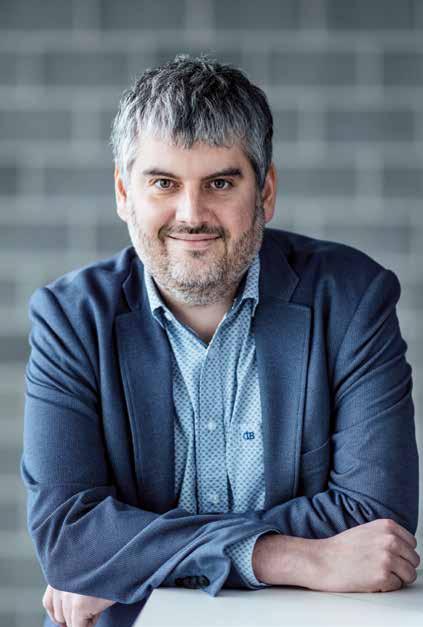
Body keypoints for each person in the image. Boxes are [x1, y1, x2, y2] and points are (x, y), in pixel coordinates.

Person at [21, 54, 420, 627]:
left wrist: (128, 558)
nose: (192, 214)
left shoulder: (352, 298)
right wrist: (290, 555)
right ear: (124, 193)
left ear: (265, 191)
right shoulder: (70, 319)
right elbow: (69, 540)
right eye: (163, 183)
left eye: (221, 183)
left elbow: (376, 520)